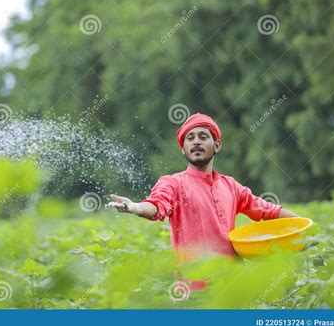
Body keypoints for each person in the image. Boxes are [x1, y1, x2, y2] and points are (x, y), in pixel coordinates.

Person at [108, 113, 299, 289]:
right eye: (190, 139)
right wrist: (135, 207)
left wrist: (303, 229)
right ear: (183, 149)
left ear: (217, 145)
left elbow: (270, 211)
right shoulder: (173, 183)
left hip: (234, 289)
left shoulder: (231, 186)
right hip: (194, 290)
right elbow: (157, 205)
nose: (196, 142)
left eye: (203, 137)